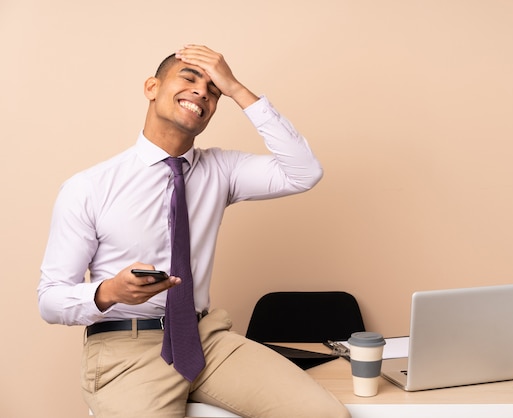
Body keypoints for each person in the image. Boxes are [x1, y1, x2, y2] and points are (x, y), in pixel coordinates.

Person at [37, 44, 350, 418]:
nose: (202, 91)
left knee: (324, 415)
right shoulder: (89, 187)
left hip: (206, 340)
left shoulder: (221, 169)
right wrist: (109, 292)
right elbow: (50, 300)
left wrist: (236, 89)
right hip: (127, 347)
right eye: (189, 77)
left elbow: (304, 172)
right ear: (152, 87)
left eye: (213, 89)